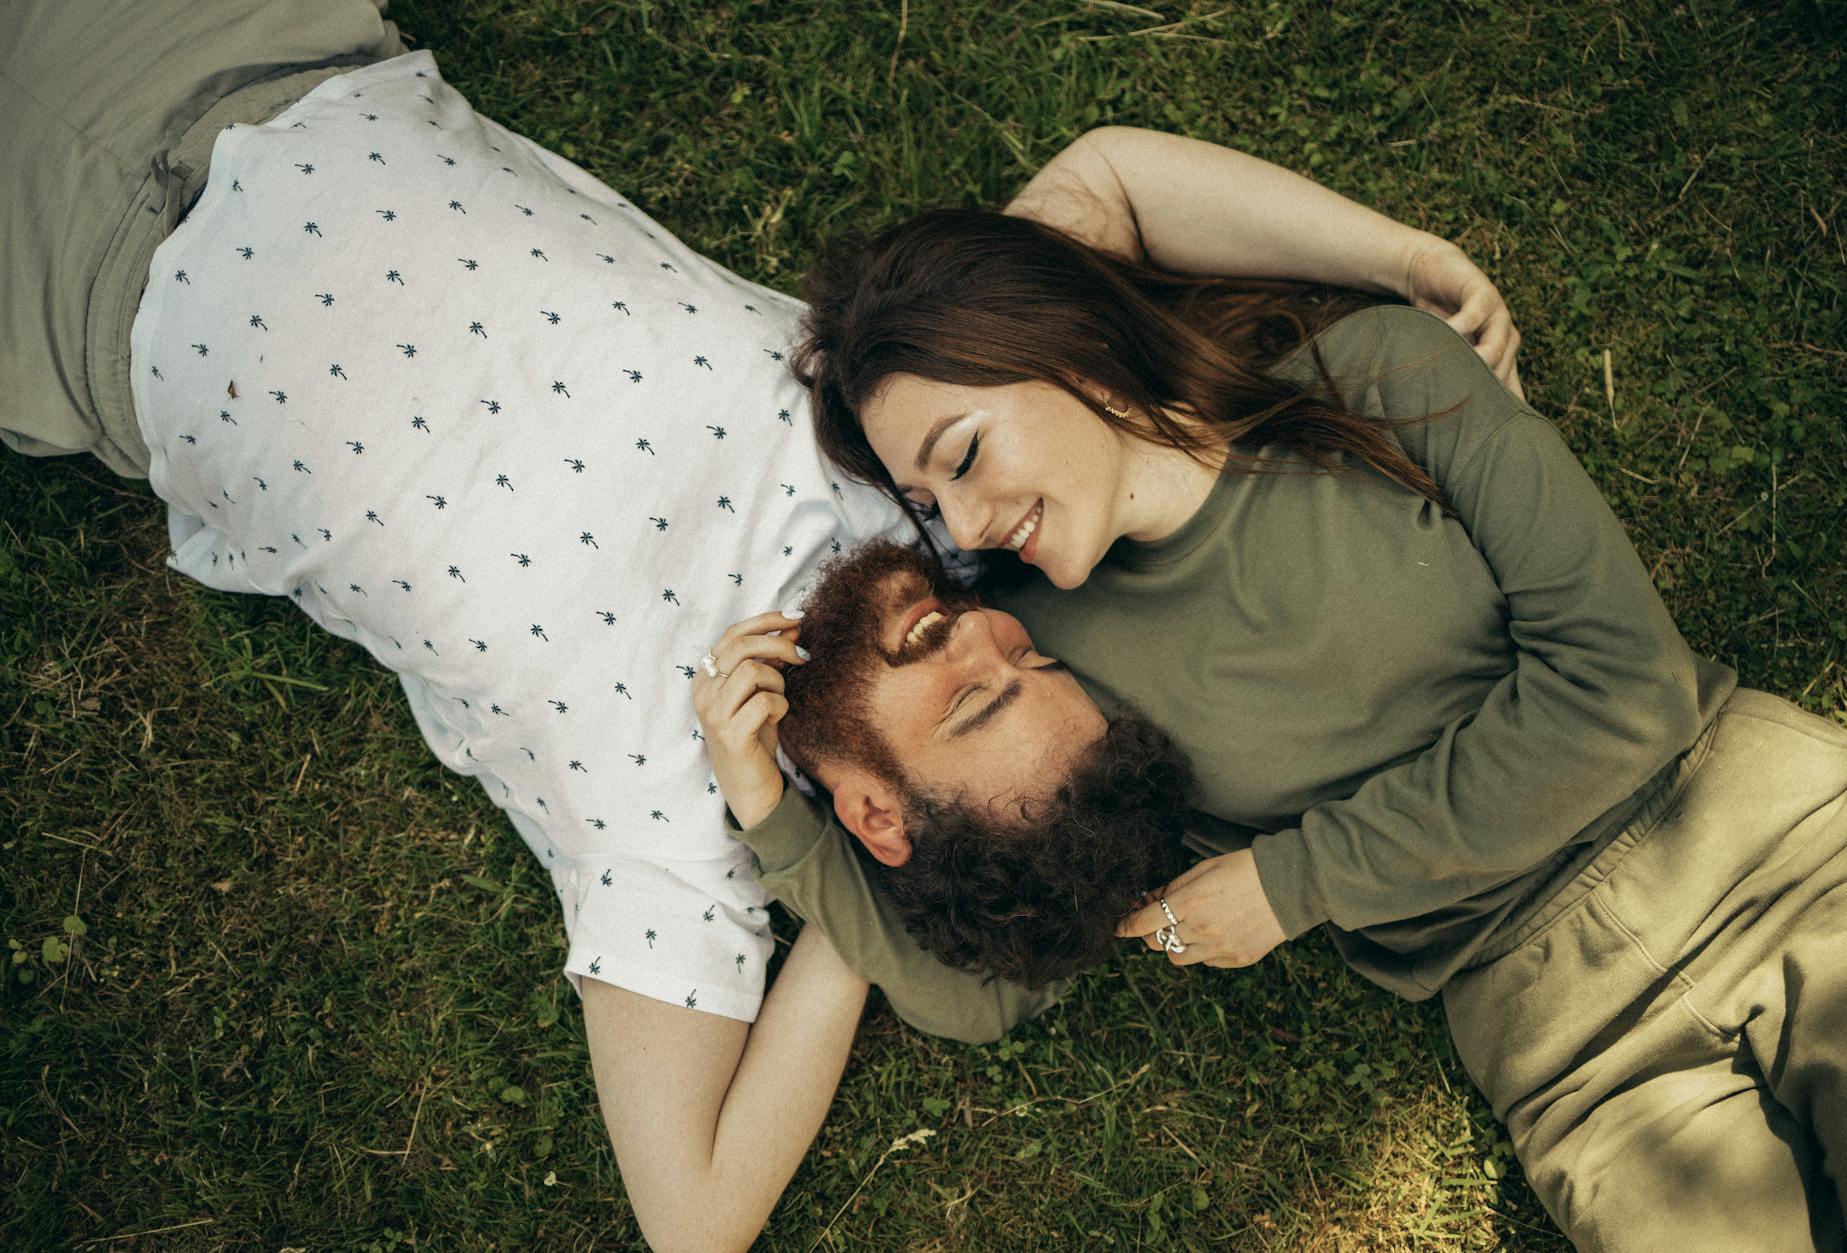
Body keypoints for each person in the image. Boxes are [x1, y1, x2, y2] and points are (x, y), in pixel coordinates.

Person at [3, 3, 1527, 1247]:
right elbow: (1101, 184)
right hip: (279, 60)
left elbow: (700, 1216)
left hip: (66, 291)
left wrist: (820, 888)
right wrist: (1406, 261)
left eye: (976, 702)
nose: (981, 629)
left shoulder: (669, 829)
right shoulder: (933, 487)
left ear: (875, 811)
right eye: (1035, 656)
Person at [724, 204, 1847, 1250]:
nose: (964, 524)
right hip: (1579, 1060)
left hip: (1786, 853)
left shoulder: (1371, 378)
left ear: (1067, 351)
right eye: (927, 505)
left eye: (964, 455)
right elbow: (988, 990)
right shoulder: (1045, 656)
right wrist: (776, 818)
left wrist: (1298, 878)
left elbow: (1627, 683)